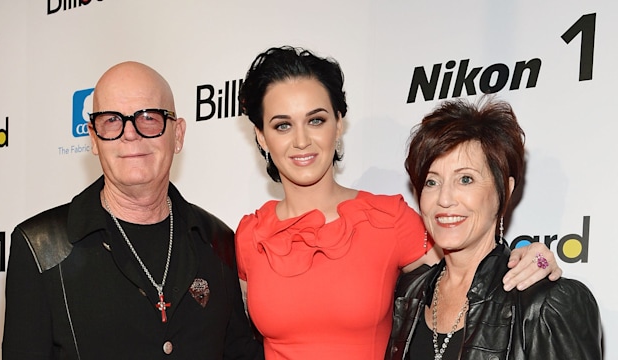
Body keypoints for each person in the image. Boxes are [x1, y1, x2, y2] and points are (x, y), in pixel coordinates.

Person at [235, 46, 562, 360]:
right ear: (262, 136)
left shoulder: (387, 219)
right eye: (282, 125)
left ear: (338, 123)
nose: (301, 140)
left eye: (316, 120)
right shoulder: (251, 236)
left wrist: (530, 257)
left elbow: (472, 269)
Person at [2, 61, 263, 360]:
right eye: (112, 120)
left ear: (177, 135)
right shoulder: (40, 247)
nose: (130, 134)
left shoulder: (218, 241)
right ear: (93, 138)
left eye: (149, 117)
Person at [385, 97, 602, 359]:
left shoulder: (545, 305)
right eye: (432, 182)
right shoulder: (408, 294)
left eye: (465, 179)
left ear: (505, 191)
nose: (444, 199)